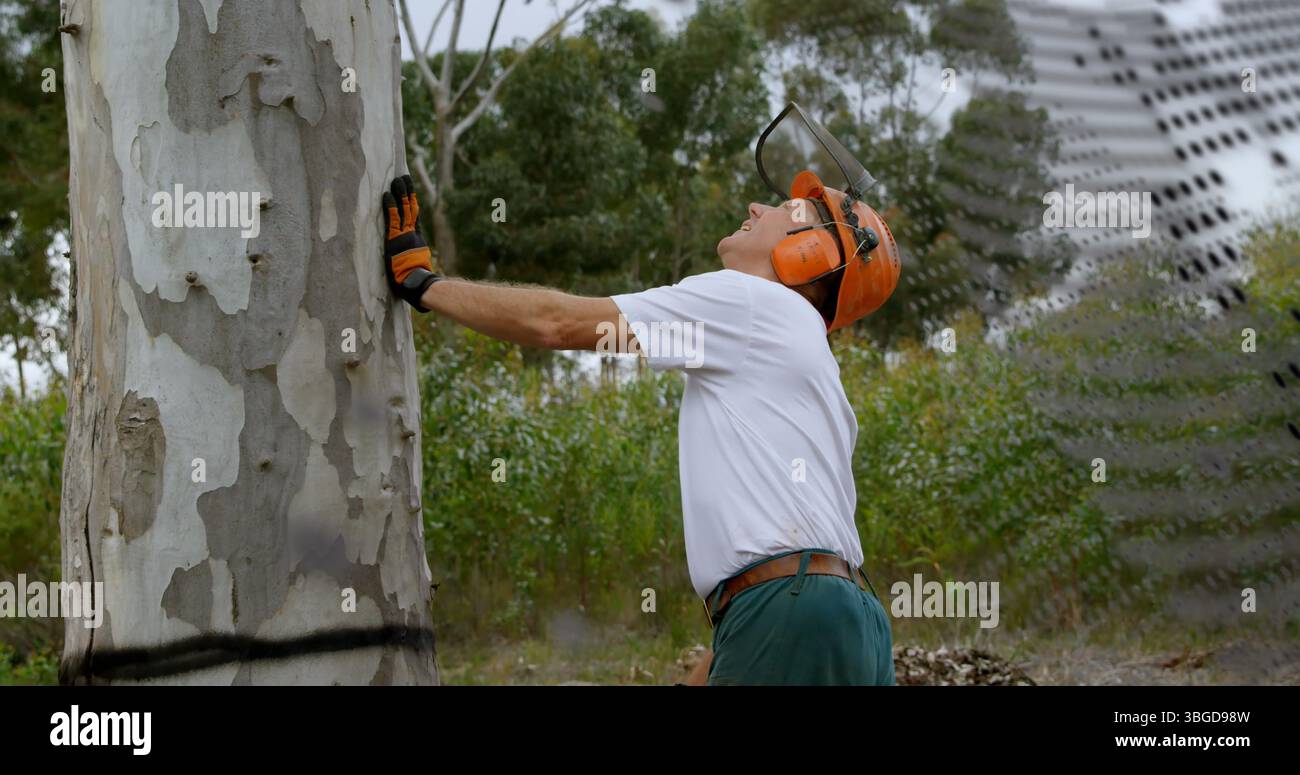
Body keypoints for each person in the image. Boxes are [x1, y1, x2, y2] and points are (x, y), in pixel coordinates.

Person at [382, 104, 902, 685]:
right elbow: (795, 560)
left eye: (782, 210)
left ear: (812, 253)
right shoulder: (808, 362)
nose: (757, 207)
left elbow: (557, 324)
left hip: (791, 612)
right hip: (855, 621)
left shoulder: (750, 303)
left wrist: (425, 285)